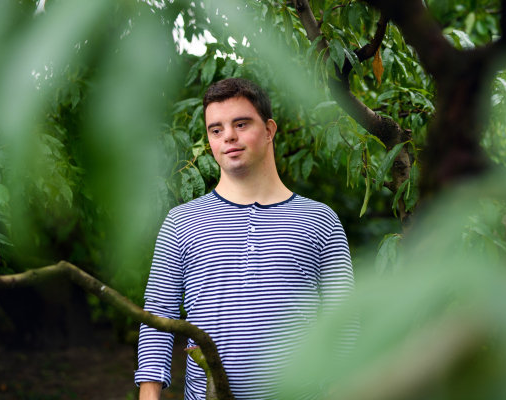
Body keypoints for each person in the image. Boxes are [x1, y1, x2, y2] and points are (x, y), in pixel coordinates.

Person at [135, 78, 357, 400]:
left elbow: (344, 324)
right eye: (216, 129)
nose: (229, 137)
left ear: (269, 130)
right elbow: (157, 319)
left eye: (241, 123)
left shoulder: (319, 219)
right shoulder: (180, 222)